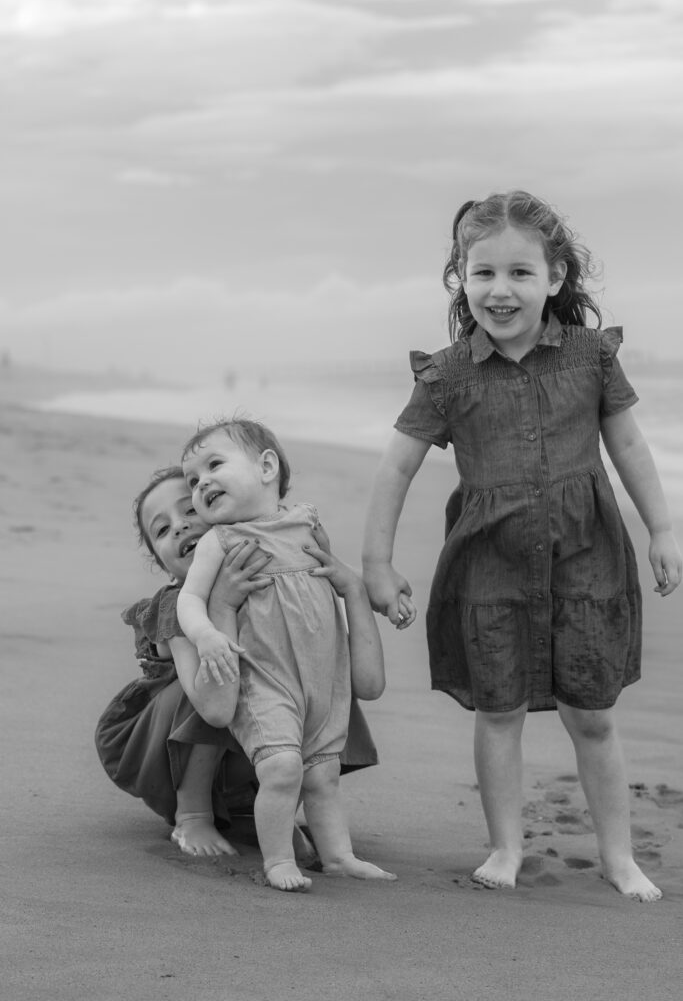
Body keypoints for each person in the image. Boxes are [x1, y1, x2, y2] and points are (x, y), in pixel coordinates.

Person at [362, 190, 682, 902]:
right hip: (490, 563)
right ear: (459, 278)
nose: (499, 291)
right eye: (482, 274)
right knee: (497, 707)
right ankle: (505, 847)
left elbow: (626, 443)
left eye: (518, 273)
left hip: (586, 556)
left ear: (555, 278)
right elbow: (396, 468)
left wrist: (661, 529)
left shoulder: (591, 358)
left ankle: (619, 857)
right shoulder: (445, 377)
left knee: (593, 712)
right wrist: (377, 564)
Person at [96, 466, 380, 860]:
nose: (178, 528)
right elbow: (210, 705)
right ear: (162, 565)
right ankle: (193, 814)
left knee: (312, 669)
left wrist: (374, 587)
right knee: (215, 671)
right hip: (177, 746)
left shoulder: (277, 580)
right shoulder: (177, 605)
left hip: (257, 747)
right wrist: (223, 604)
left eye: (191, 512)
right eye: (162, 530)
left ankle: (277, 810)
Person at [177, 419, 396, 891]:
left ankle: (338, 855)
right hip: (264, 678)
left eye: (214, 465)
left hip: (322, 679)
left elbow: (334, 579)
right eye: (192, 481)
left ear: (267, 467)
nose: (202, 484)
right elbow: (189, 600)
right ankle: (278, 861)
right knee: (281, 767)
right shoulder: (221, 541)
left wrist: (375, 594)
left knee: (323, 775)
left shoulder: (307, 523)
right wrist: (205, 636)